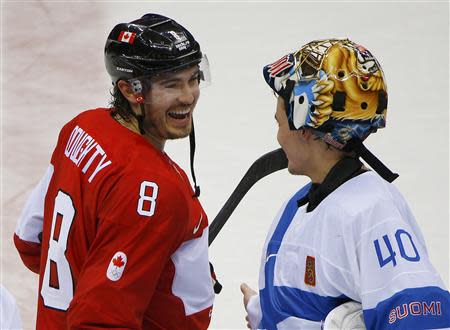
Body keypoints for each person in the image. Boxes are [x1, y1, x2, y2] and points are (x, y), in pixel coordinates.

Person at [13, 13, 216, 329]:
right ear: (129, 89)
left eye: (193, 79)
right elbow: (100, 322)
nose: (188, 96)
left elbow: (29, 241)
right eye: (172, 84)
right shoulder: (153, 189)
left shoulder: (80, 128)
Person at [240, 39, 450, 329]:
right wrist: (265, 314)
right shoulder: (300, 206)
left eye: (279, 123)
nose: (278, 136)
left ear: (303, 123)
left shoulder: (372, 212)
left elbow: (424, 321)